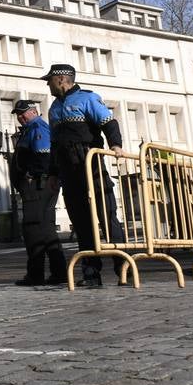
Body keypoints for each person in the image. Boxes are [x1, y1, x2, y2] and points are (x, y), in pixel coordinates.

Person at [44, 63, 125, 288]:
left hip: (91, 164)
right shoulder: (53, 109)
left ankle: (124, 270)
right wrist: (52, 173)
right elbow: (53, 145)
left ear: (61, 79)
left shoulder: (87, 98)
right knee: (81, 223)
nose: (47, 85)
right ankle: (91, 274)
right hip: (68, 170)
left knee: (107, 218)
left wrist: (116, 145)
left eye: (49, 80)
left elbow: (109, 122)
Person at [9, 99, 67, 285]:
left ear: (34, 112)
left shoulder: (37, 128)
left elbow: (44, 156)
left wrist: (33, 175)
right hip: (39, 186)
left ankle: (36, 274)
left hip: (38, 187)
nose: (20, 117)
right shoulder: (31, 129)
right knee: (46, 230)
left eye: (23, 113)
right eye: (18, 114)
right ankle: (58, 272)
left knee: (33, 229)